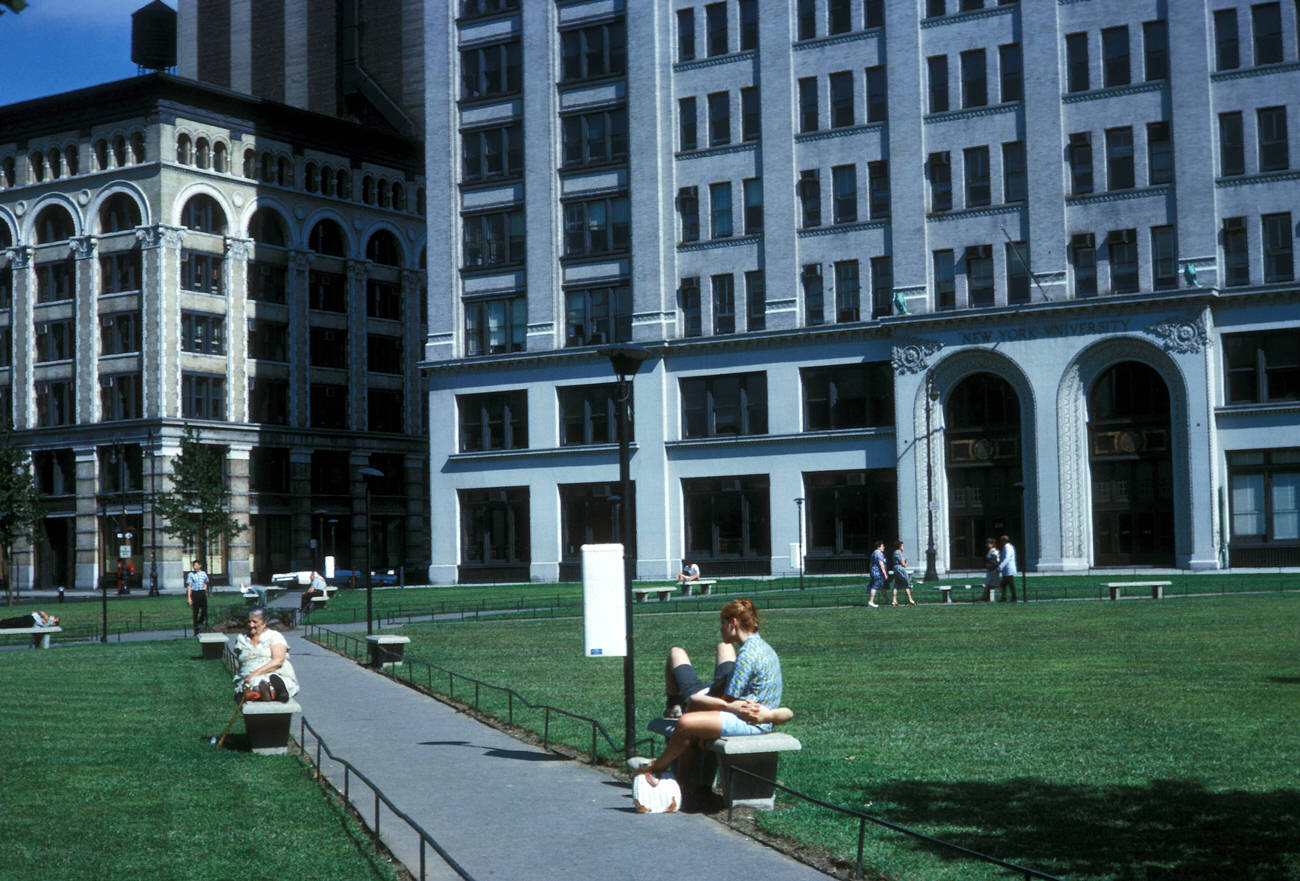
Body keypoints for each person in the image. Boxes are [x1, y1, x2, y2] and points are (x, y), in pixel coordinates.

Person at [631, 599, 789, 809]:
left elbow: (728, 703)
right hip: (750, 715)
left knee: (687, 723)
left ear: (732, 622)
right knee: (693, 722)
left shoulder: (748, 655)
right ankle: (684, 787)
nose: (720, 629)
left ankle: (659, 768)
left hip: (750, 721)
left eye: (722, 623)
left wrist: (700, 711)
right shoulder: (759, 645)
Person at [233, 607, 299, 703]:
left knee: (263, 682)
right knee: (251, 685)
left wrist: (254, 674)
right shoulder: (241, 638)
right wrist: (246, 675)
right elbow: (239, 662)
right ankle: (269, 692)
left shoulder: (274, 636)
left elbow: (278, 661)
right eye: (248, 621)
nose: (251, 625)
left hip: (273, 672)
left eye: (255, 622)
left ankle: (273, 690)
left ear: (265, 622)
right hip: (248, 674)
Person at [185, 560, 210, 634]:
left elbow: (206, 582)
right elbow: (189, 586)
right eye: (194, 566)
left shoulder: (203, 574)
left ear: (200, 566)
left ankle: (202, 623)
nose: (195, 567)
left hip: (202, 592)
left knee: (204, 610)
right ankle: (196, 628)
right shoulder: (191, 574)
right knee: (195, 611)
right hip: (195, 593)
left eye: (196, 565)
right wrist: (189, 598)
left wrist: (204, 590)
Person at [891, 540, 915, 606]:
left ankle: (894, 600)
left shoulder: (895, 552)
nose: (903, 547)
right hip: (900, 569)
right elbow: (903, 564)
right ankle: (910, 600)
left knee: (896, 584)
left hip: (896, 569)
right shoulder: (898, 552)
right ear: (899, 546)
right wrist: (906, 563)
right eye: (902, 546)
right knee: (906, 583)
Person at [866, 540, 888, 608]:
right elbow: (881, 564)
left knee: (882, 587)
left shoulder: (876, 553)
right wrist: (885, 574)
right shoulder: (878, 553)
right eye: (882, 546)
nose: (883, 547)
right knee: (875, 586)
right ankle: (871, 601)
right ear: (879, 546)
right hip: (877, 573)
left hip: (876, 573)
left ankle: (888, 601)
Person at [997, 535, 1019, 602]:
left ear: (1004, 541)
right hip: (1007, 569)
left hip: (1008, 569)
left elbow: (1007, 558)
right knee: (1007, 584)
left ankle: (1010, 597)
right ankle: (1009, 597)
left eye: (1001, 541)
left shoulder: (1007, 547)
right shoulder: (1008, 547)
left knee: (1005, 584)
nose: (1000, 542)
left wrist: (1000, 567)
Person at [982, 537, 1000, 602]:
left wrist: (989, 566)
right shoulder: (990, 551)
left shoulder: (993, 551)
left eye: (989, 543)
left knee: (990, 584)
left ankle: (984, 598)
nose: (987, 545)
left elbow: (994, 561)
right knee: (990, 584)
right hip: (990, 570)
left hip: (992, 570)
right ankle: (987, 598)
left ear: (992, 544)